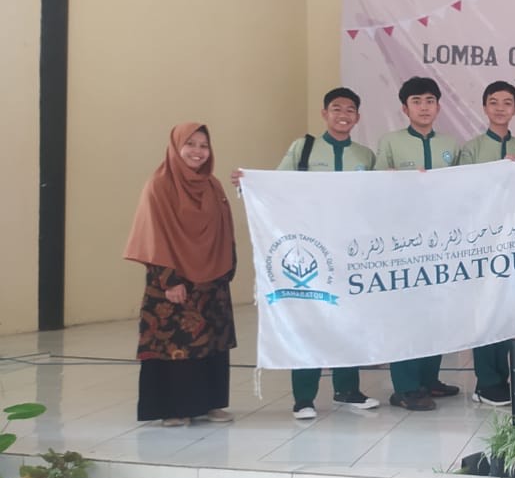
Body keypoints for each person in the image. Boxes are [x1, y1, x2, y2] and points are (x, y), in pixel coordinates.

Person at [235, 87, 381, 420]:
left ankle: (347, 390)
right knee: (308, 320)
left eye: (350, 109)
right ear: (324, 113)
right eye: (336, 108)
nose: (343, 114)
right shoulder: (304, 148)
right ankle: (304, 398)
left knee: (350, 321)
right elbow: (276, 185)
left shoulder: (365, 156)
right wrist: (249, 182)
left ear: (357, 117)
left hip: (350, 251)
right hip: (310, 250)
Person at [124, 123, 236, 427]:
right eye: (191, 144)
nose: (198, 151)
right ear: (176, 147)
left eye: (204, 145)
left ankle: (211, 403)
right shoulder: (159, 185)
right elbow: (153, 235)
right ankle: (173, 408)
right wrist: (169, 280)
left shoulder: (212, 185)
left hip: (212, 279)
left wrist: (227, 266)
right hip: (173, 280)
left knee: (212, 342)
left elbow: (224, 227)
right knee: (176, 344)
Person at [373, 76, 463, 411]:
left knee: (436, 313)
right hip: (404, 244)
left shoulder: (451, 145)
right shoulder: (391, 142)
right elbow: (375, 186)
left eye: (429, 101)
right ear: (404, 108)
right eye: (416, 101)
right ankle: (406, 387)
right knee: (406, 315)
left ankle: (429, 379)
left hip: (440, 244)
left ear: (438, 106)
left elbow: (467, 188)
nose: (424, 107)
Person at [457, 81, 515, 406]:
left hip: (512, 245)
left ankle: (503, 379)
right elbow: (463, 192)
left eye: (507, 103)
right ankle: (486, 382)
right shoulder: (472, 149)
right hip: (481, 243)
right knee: (485, 312)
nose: (500, 108)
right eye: (494, 102)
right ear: (485, 107)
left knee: (508, 313)